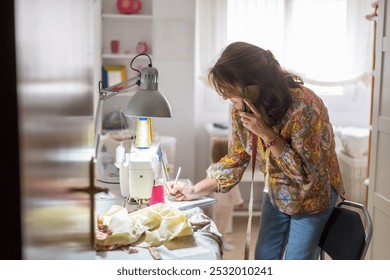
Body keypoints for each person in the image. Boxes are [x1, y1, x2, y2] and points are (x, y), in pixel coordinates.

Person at [169, 41, 345, 260]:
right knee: (263, 257)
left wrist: (267, 134)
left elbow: (304, 175)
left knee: (297, 261)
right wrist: (195, 190)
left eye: (229, 90)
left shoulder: (305, 106)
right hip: (277, 192)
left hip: (313, 194)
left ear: (254, 85)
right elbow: (235, 158)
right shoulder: (240, 109)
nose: (225, 97)